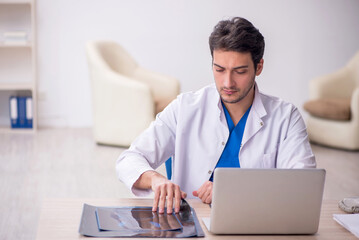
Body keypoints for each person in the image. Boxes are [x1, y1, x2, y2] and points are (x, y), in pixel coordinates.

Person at [116, 17, 316, 215]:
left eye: (240, 71)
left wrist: (235, 192)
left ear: (259, 67)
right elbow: (129, 159)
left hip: (258, 223)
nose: (227, 82)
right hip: (191, 225)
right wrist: (156, 180)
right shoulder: (185, 108)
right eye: (219, 69)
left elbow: (303, 184)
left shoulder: (286, 117)